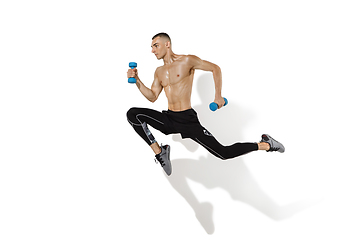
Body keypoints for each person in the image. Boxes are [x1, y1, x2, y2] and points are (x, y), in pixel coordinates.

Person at [127, 33, 284, 176]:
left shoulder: (187, 60)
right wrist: (137, 80)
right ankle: (160, 152)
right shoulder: (159, 71)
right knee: (133, 114)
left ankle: (266, 144)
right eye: (152, 47)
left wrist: (218, 96)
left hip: (187, 120)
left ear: (167, 44)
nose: (153, 50)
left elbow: (215, 69)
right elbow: (153, 96)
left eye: (156, 45)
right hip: (169, 118)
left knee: (223, 153)